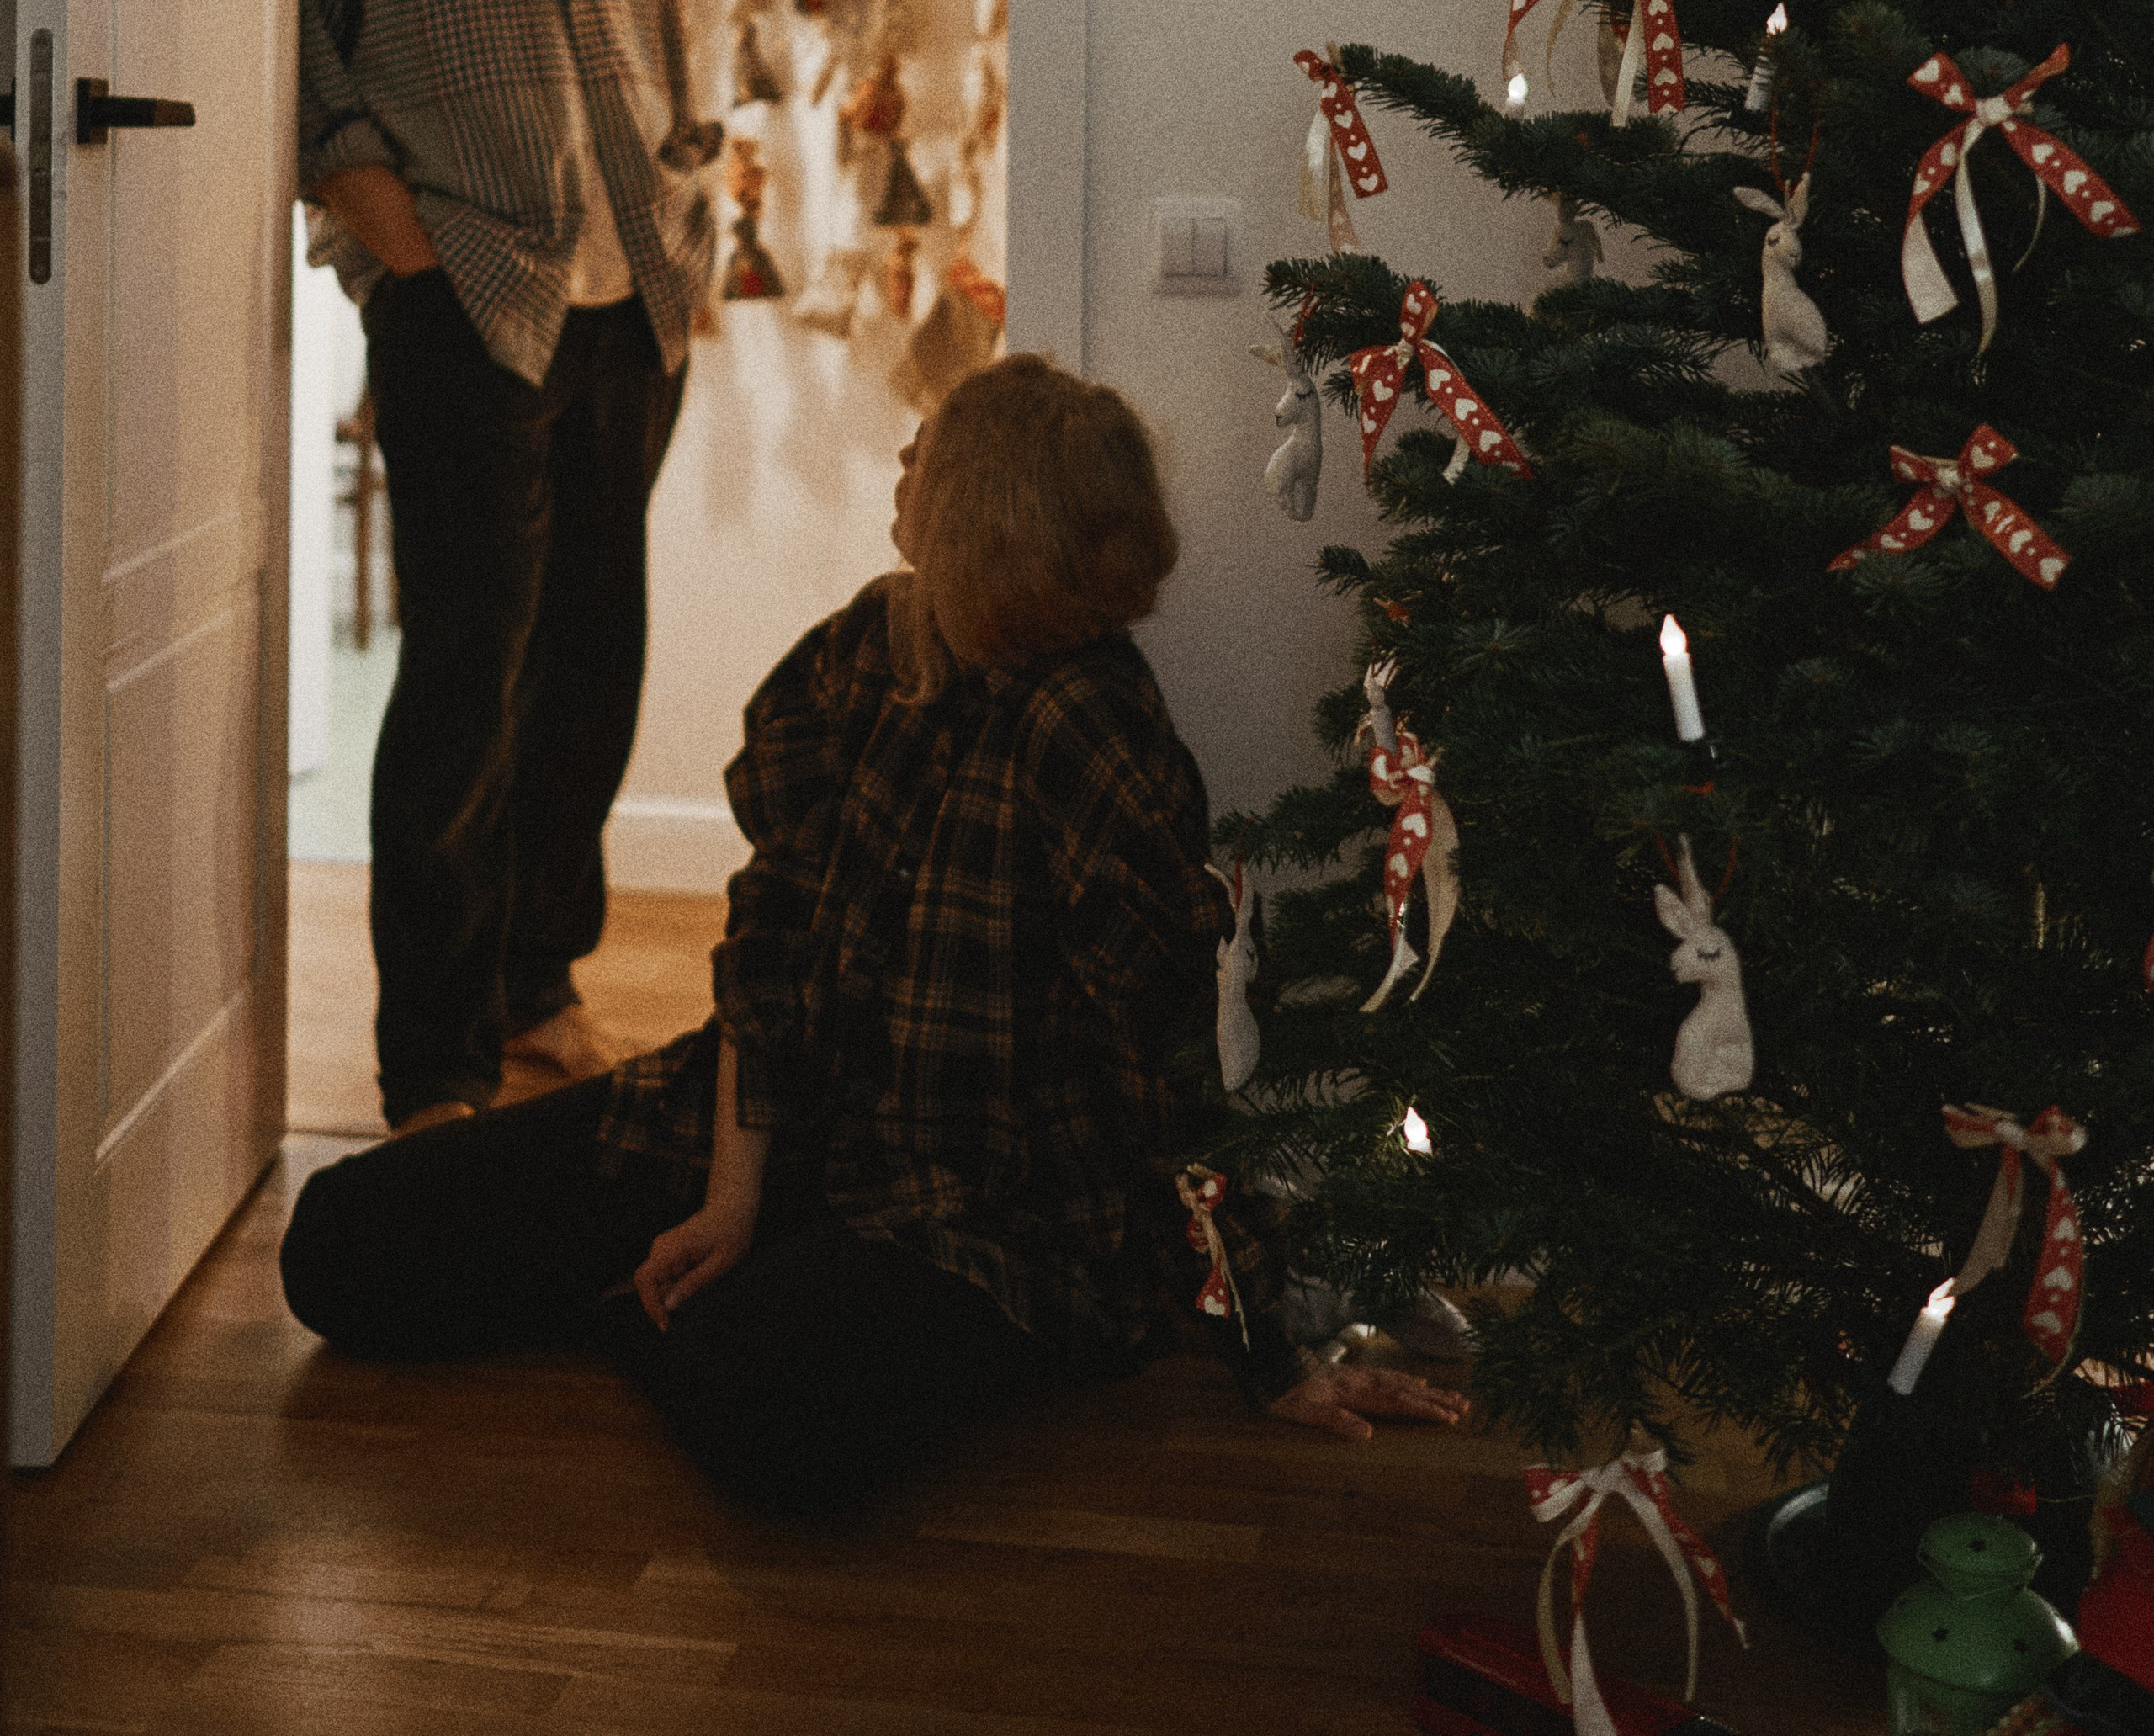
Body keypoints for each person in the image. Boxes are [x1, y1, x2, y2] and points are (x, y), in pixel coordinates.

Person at [279, 358, 1467, 1511]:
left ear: (986, 521)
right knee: (337, 1247)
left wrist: (1271, 1347)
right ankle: (714, 1276)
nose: (902, 462)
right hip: (768, 1128)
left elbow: (1170, 1071)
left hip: (978, 1216)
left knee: (780, 1418)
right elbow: (769, 937)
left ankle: (675, 1304)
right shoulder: (871, 645)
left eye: (930, 454)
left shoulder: (1093, 736)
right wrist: (730, 1199)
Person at [299, 0, 720, 1135]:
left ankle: (539, 985)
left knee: (592, 665)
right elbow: (298, 39)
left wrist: (694, 195)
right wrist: (391, 239)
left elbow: (660, 8)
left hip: (632, 300)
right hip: (465, 291)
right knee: (465, 676)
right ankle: (436, 1062)